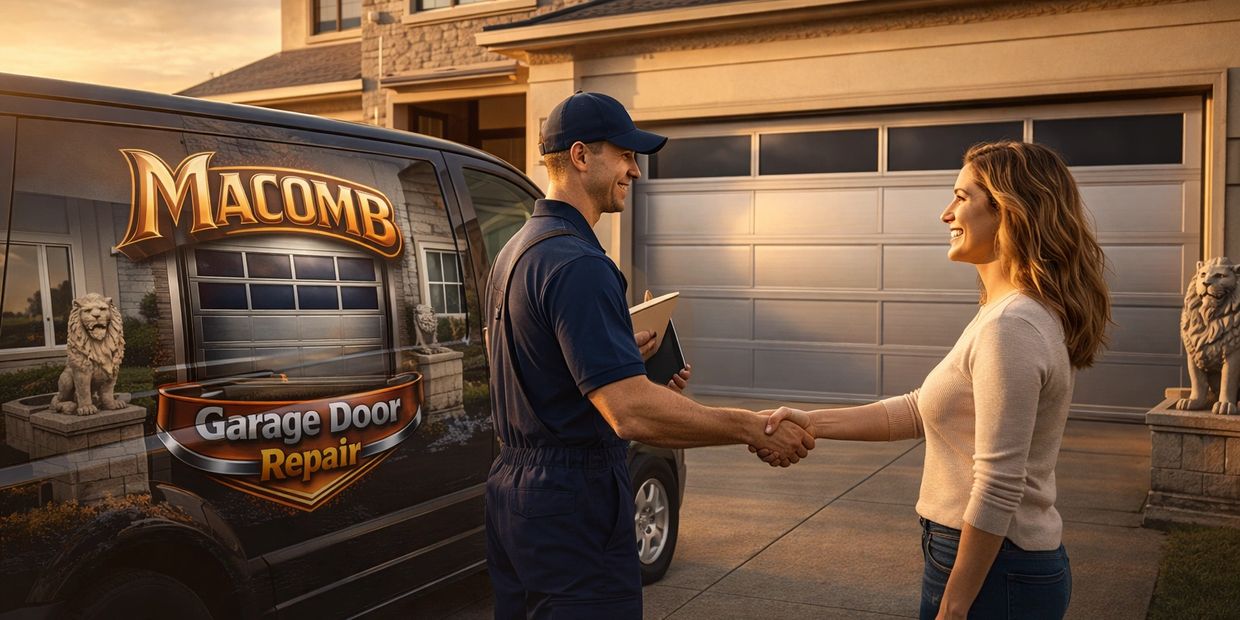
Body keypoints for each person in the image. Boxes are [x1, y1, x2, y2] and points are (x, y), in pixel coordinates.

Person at [484, 91, 815, 619]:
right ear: (580, 156)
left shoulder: (515, 251)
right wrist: (750, 427)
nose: (635, 171)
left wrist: (628, 369)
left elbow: (540, 372)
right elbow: (629, 412)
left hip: (518, 497)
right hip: (573, 501)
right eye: (625, 155)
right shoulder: (578, 265)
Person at [754, 140, 1110, 619]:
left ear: (1007, 209)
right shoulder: (1002, 315)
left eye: (961, 197)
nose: (947, 213)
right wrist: (812, 422)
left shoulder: (1013, 326)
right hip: (987, 561)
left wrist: (955, 605)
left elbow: (1000, 482)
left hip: (996, 570)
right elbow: (921, 408)